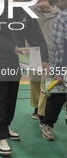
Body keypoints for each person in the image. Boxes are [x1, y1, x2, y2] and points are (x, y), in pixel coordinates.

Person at [0, 0, 49, 156]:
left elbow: (36, 36)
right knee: (0, 98)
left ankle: (6, 126)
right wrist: (11, 47)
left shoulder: (26, 11)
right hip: (0, 59)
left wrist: (43, 57)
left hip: (19, 60)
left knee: (12, 97)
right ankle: (0, 136)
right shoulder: (0, 7)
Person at [30, 0, 60, 120]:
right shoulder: (32, 12)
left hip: (51, 55)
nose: (38, 0)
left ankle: (43, 114)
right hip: (32, 53)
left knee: (47, 85)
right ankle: (37, 107)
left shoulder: (59, 15)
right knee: (34, 84)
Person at [41, 8, 67, 141]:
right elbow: (62, 47)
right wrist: (60, 72)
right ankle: (47, 124)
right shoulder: (63, 18)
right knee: (56, 98)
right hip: (61, 65)